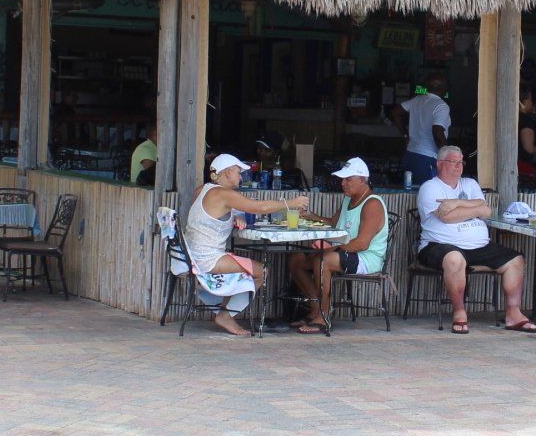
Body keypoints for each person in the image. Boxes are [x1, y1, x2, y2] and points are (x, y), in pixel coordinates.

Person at [183, 152, 308, 337]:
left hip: (193, 254)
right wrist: (291, 203)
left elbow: (215, 211)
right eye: (238, 172)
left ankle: (224, 312)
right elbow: (260, 208)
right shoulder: (224, 193)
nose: (241, 177)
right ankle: (226, 315)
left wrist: (237, 215)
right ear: (227, 173)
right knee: (261, 271)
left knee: (254, 269)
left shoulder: (203, 189)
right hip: (208, 259)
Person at [416, 145, 536, 334]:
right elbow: (447, 217)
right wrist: (475, 208)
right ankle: (459, 312)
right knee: (455, 259)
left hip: (479, 246)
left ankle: (514, 313)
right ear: (439, 164)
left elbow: (486, 211)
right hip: (438, 245)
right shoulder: (429, 187)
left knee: (515, 260)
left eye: (460, 162)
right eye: (453, 162)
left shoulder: (470, 184)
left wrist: (456, 203)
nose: (458, 166)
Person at [288, 157, 389, 333]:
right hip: (344, 252)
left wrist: (330, 248)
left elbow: (362, 243)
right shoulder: (348, 200)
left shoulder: (372, 204)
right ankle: (315, 309)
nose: (343, 183)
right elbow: (333, 224)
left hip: (366, 258)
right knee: (296, 260)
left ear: (363, 180)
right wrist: (311, 216)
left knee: (323, 260)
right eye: (342, 179)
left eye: (348, 179)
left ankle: (324, 316)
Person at [394, 74, 450, 186]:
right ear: (444, 88)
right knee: (428, 195)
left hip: (410, 155)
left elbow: (395, 112)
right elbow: (437, 131)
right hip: (427, 158)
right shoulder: (441, 105)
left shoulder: (417, 100)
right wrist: (448, 155)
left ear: (427, 87)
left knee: (409, 193)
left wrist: (405, 135)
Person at [129, 121, 158, 186]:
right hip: (139, 192)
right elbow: (154, 175)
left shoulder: (156, 148)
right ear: (155, 134)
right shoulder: (145, 149)